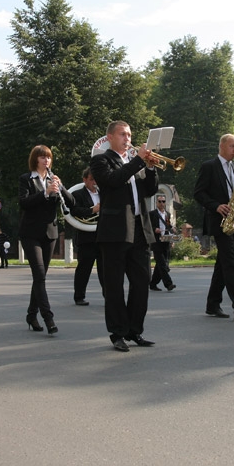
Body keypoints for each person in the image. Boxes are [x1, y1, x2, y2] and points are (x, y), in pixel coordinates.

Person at [91, 121, 158, 351]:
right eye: (122, 134)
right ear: (110, 137)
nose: (127, 138)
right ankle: (117, 333)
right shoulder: (101, 160)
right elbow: (114, 180)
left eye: (129, 134)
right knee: (114, 286)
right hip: (114, 231)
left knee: (142, 283)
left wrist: (150, 168)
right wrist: (139, 160)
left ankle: (134, 330)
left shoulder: (134, 162)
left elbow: (149, 190)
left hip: (139, 229)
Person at [193, 133, 234, 322]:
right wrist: (216, 206)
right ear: (221, 146)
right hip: (219, 221)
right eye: (232, 146)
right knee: (231, 263)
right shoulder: (209, 166)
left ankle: (212, 304)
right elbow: (199, 193)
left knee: (222, 265)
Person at [18, 145, 74, 335]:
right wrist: (45, 193)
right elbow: (24, 202)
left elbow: (71, 202)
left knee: (39, 278)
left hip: (50, 233)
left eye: (48, 157)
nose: (46, 160)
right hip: (30, 233)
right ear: (35, 159)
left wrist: (61, 187)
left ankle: (31, 314)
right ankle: (48, 318)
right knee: (40, 275)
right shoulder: (26, 179)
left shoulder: (53, 179)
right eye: (42, 157)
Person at [71, 167, 101, 305]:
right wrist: (92, 210)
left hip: (102, 236)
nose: (95, 182)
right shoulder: (77, 194)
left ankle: (109, 297)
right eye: (91, 179)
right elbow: (74, 211)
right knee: (84, 269)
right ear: (85, 180)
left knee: (105, 269)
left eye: (96, 179)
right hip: (86, 238)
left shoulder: (104, 193)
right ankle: (79, 296)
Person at [149, 195, 177, 292]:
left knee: (160, 265)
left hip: (165, 241)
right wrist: (154, 229)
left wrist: (172, 229)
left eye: (163, 201)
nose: (161, 203)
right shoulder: (152, 214)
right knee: (162, 264)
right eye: (159, 201)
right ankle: (168, 284)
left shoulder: (167, 214)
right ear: (156, 203)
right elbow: (147, 226)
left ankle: (153, 284)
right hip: (156, 242)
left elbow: (168, 226)